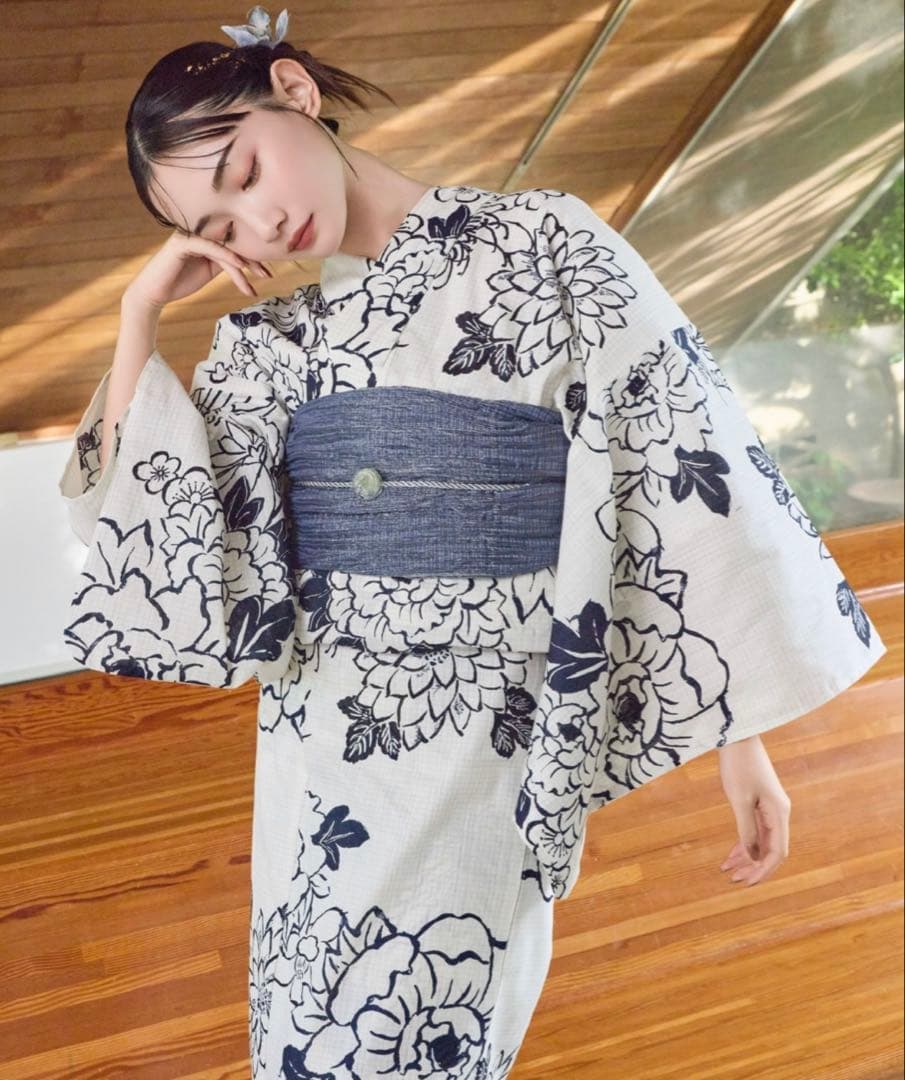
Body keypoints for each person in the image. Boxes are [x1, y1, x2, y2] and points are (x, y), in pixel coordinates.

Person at [58, 6, 889, 1077]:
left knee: (413, 1031)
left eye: (245, 172)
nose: (256, 225)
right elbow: (153, 537)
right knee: (300, 1041)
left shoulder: (547, 243)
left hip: (483, 724)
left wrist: (743, 739)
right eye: (217, 227)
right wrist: (137, 316)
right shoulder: (273, 346)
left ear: (296, 93)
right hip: (316, 735)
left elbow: (677, 457)